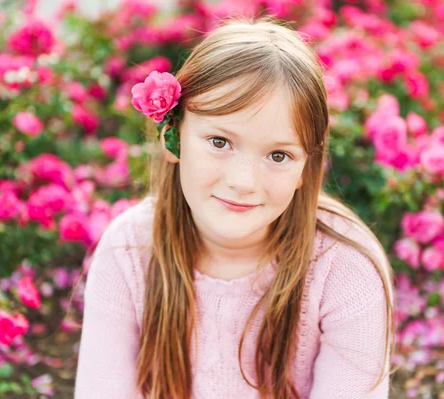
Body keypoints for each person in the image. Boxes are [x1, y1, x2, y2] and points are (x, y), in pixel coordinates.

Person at [74, 15, 397, 399]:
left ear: (305, 169)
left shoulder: (345, 271)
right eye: (219, 141)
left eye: (278, 155)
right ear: (173, 138)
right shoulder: (129, 251)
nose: (243, 182)